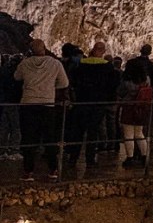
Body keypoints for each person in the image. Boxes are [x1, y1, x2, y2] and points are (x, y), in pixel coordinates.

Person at [15, 38, 69, 180]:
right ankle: (53, 170)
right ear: (44, 48)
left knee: (28, 138)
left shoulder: (25, 63)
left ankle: (28, 172)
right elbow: (64, 82)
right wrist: (49, 88)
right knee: (49, 138)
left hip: (28, 104)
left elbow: (17, 77)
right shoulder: (55, 63)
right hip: (47, 105)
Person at [66, 40, 119, 175]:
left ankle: (73, 158)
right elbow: (112, 86)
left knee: (78, 131)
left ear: (93, 49)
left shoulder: (82, 65)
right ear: (103, 52)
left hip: (82, 102)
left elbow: (73, 81)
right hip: (98, 103)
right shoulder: (108, 67)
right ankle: (90, 159)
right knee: (93, 132)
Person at [118, 55, 153, 167]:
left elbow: (120, 92)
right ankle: (144, 157)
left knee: (128, 134)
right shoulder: (146, 79)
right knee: (139, 133)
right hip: (141, 108)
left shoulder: (127, 80)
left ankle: (130, 158)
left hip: (129, 107)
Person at [0, 56, 22, 162]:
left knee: (4, 127)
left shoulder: (4, 71)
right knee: (16, 127)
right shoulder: (17, 73)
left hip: (5, 102)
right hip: (15, 102)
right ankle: (14, 149)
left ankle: (2, 150)